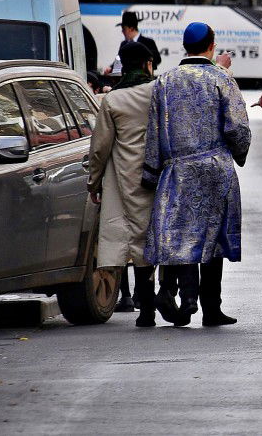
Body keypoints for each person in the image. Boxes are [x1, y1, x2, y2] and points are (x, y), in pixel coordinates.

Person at [143, 22, 251, 327]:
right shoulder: (221, 79)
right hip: (215, 169)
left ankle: (188, 298)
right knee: (213, 238)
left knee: (183, 234)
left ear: (185, 46)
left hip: (178, 170)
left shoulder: (164, 82)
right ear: (212, 45)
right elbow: (238, 128)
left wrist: (152, 174)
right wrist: (238, 154)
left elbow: (154, 131)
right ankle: (211, 308)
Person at [87, 42, 159, 327]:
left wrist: (94, 182)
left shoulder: (112, 101)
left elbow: (100, 148)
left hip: (123, 179)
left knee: (131, 243)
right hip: (157, 176)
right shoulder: (158, 92)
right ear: (146, 64)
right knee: (154, 239)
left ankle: (146, 311)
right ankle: (166, 297)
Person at [104, 11, 162, 78]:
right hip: (126, 82)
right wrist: (110, 68)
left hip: (144, 81)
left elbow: (157, 59)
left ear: (131, 29)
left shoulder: (148, 42)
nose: (122, 32)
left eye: (124, 29)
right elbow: (118, 62)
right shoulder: (124, 44)